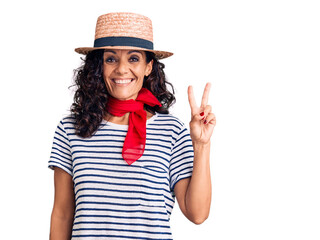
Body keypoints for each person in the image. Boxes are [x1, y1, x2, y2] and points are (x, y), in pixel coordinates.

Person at [48, 12, 216, 240]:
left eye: (134, 58)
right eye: (111, 58)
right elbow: (62, 214)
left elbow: (197, 214)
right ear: (99, 66)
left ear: (148, 67)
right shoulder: (70, 129)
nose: (121, 69)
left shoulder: (172, 131)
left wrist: (201, 144)